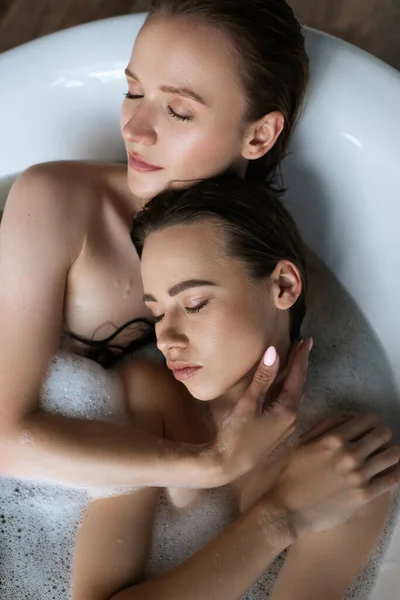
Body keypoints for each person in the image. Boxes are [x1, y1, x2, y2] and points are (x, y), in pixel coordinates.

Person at [93, 174, 398, 600]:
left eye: (194, 304)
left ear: (284, 286)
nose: (165, 339)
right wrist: (280, 517)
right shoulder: (148, 397)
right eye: (158, 314)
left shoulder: (343, 459)